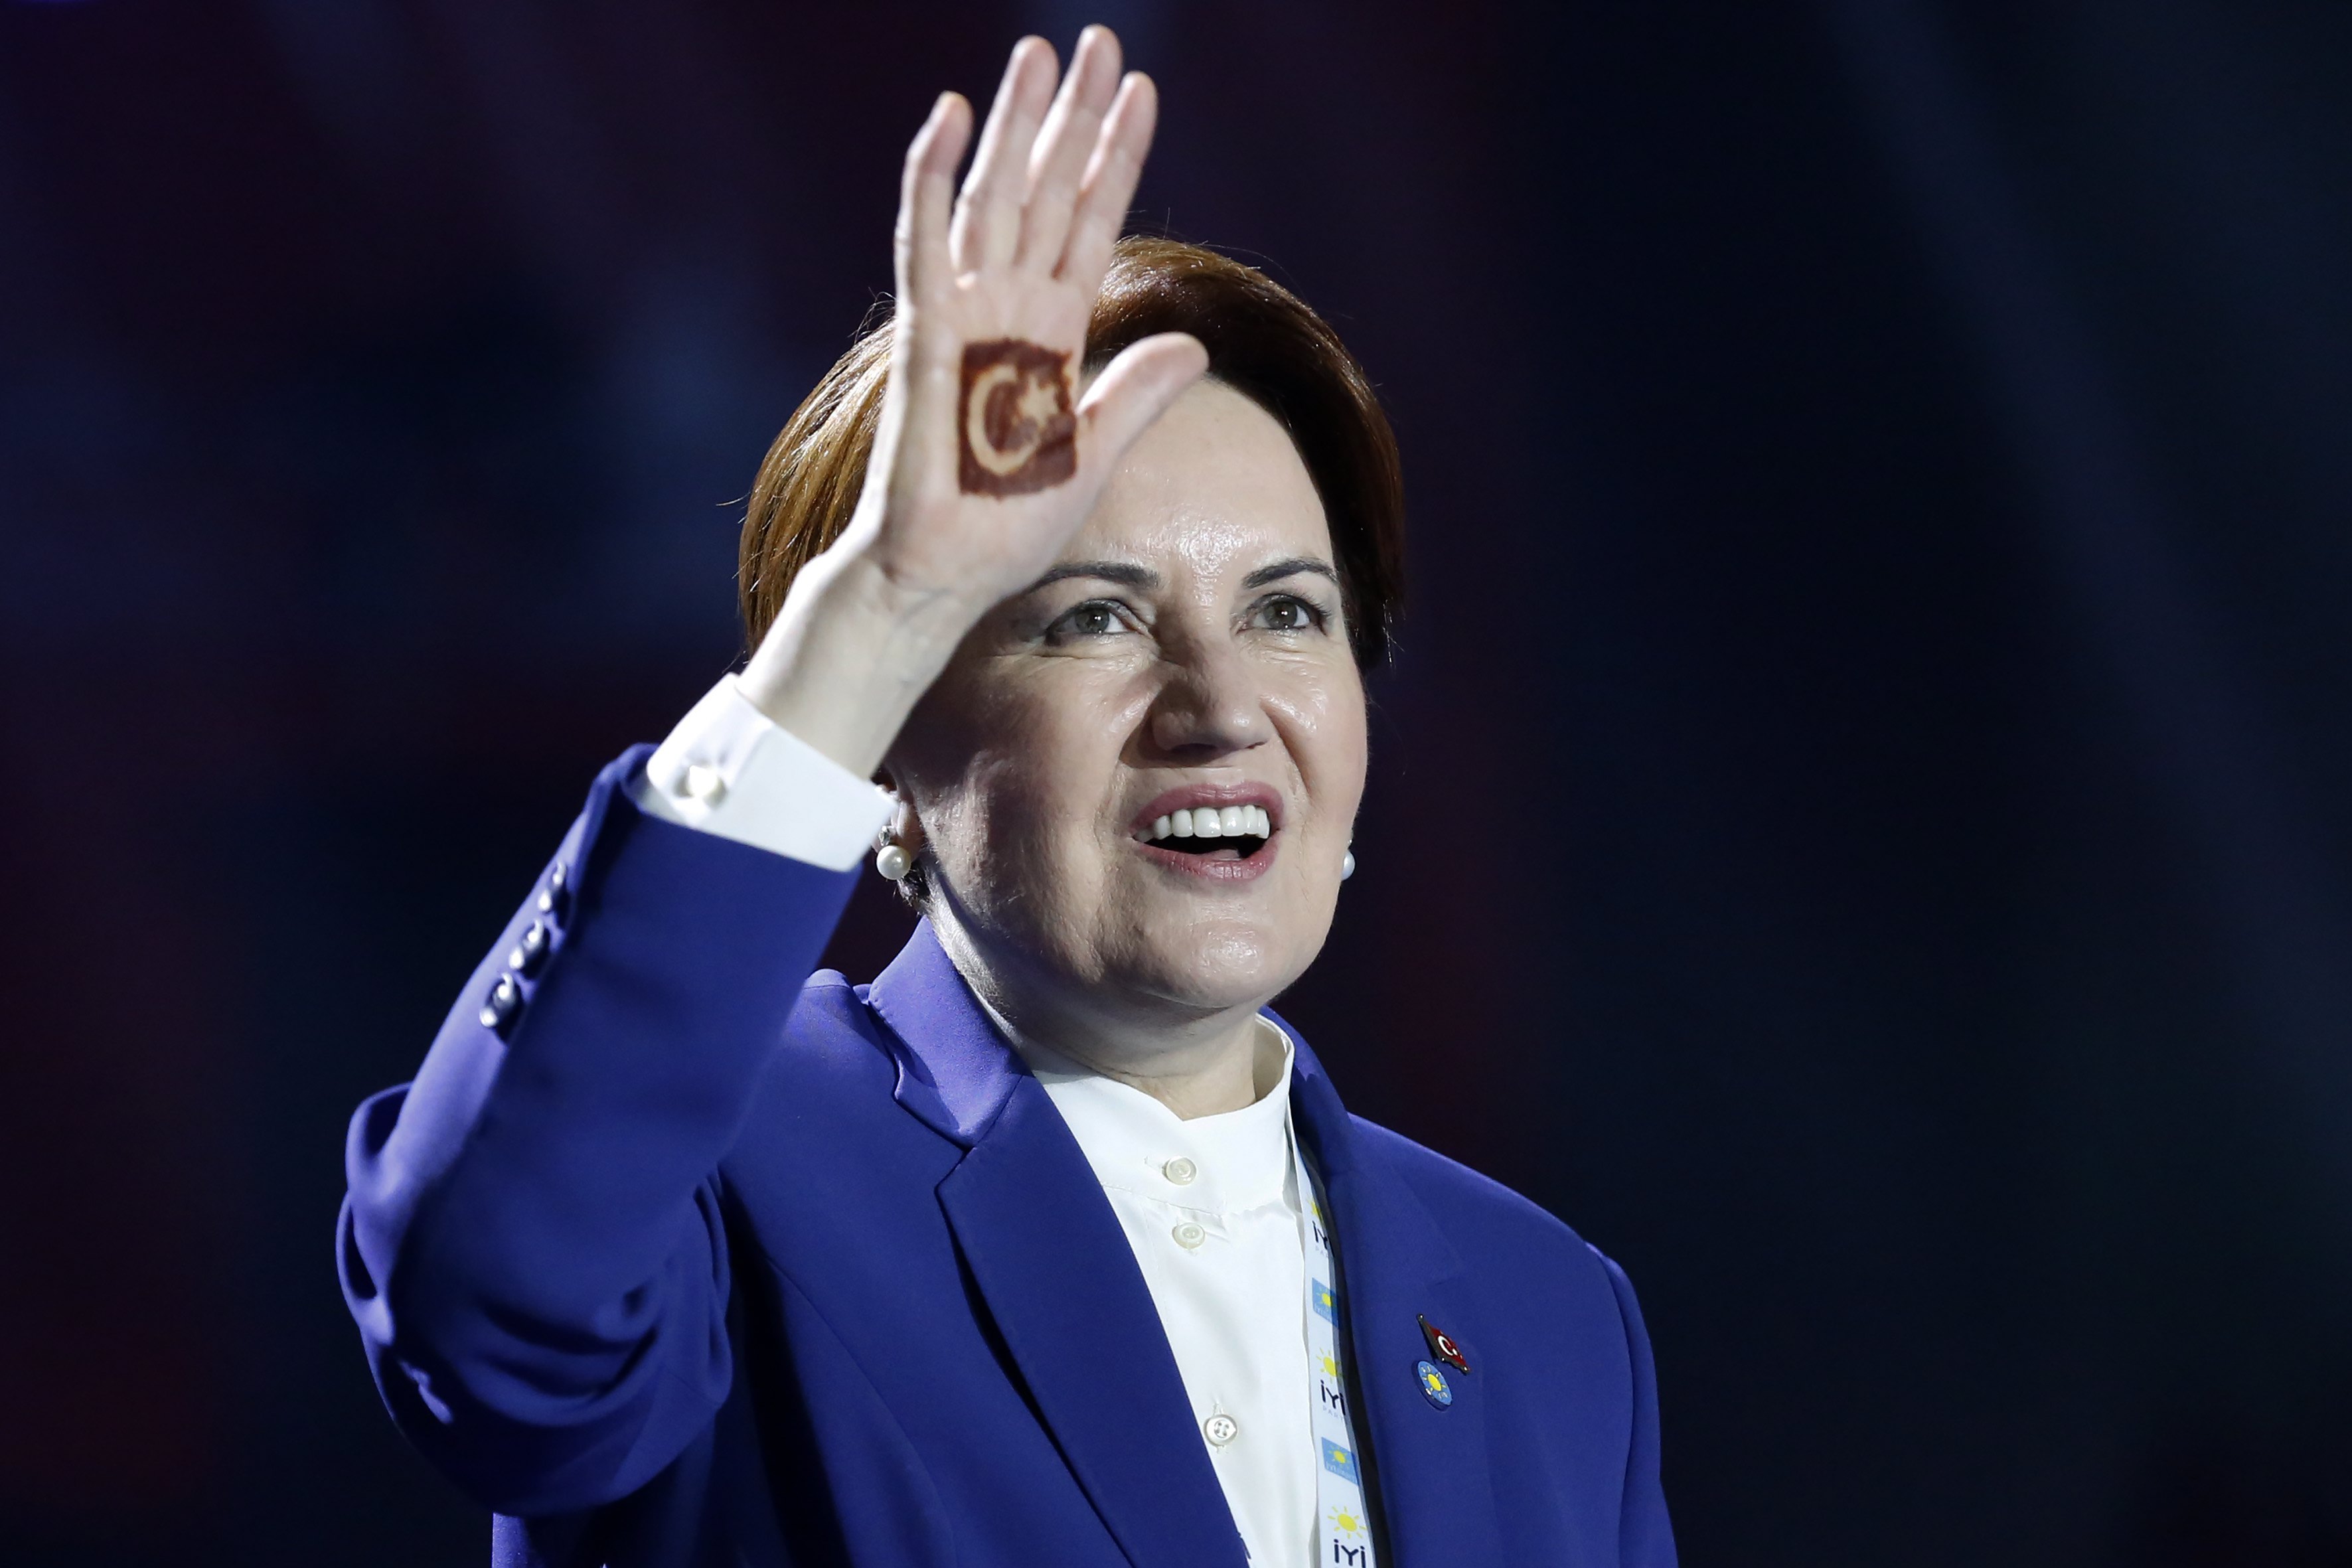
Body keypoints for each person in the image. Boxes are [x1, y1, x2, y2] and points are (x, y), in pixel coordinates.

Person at [337, 26, 1674, 1568]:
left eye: (1290, 612)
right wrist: (888, 592)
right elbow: (482, 1299)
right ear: (888, 753)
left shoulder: (1547, 1306)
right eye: (1088, 617)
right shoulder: (717, 1180)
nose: (1221, 708)